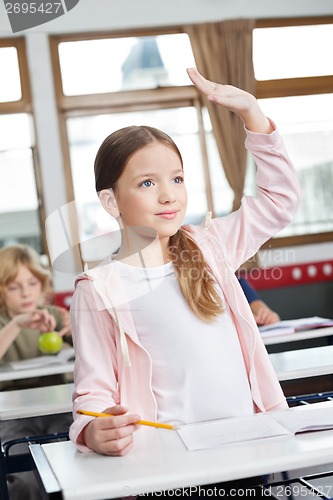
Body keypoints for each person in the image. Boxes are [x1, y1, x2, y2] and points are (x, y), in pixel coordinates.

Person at [69, 67, 300, 494]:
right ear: (110, 201)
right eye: (147, 183)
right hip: (170, 468)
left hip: (247, 449)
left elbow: (280, 200)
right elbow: (93, 393)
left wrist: (252, 113)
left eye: (176, 178)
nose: (168, 194)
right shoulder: (98, 288)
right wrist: (93, 430)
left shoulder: (212, 247)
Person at [0, 244, 73, 500]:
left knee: (68, 466)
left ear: (42, 285)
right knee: (25, 479)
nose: (25, 293)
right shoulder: (2, 323)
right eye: (14, 286)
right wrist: (18, 323)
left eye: (32, 283)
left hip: (56, 408)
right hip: (13, 415)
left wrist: (73, 328)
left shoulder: (53, 315)